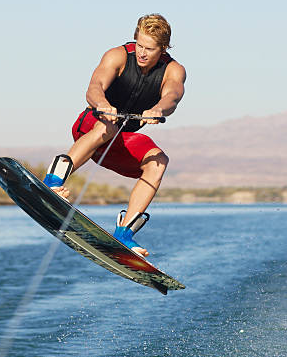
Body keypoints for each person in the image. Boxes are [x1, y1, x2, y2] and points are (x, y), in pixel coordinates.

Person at [44, 14, 186, 257]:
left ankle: (124, 233)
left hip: (119, 142)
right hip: (91, 126)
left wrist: (158, 110)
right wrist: (103, 104)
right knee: (109, 126)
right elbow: (94, 87)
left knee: (159, 161)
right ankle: (53, 182)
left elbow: (172, 95)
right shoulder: (117, 56)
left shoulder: (173, 70)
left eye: (149, 49)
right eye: (139, 45)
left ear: (163, 49)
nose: (142, 53)